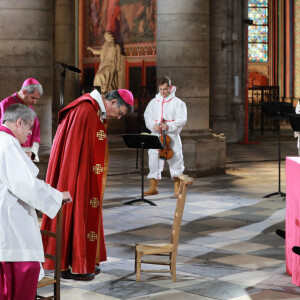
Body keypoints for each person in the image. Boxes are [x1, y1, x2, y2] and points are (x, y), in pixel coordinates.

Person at [41, 88, 134, 280]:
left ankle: (80, 262)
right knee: (76, 212)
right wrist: (76, 178)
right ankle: (74, 265)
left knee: (84, 214)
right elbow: (73, 150)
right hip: (75, 174)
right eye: (120, 113)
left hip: (84, 172)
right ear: (114, 102)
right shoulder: (85, 109)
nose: (118, 117)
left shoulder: (93, 110)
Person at [0, 103, 72, 300]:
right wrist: (57, 196)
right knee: (22, 275)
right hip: (10, 224)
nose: (30, 133)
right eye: (29, 127)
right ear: (19, 122)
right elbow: (26, 185)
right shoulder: (8, 144)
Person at [144, 76, 187, 197]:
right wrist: (154, 126)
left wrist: (169, 126)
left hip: (171, 136)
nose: (162, 92)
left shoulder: (178, 103)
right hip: (156, 135)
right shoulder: (153, 102)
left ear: (170, 87)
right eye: (160, 89)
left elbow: (182, 119)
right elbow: (147, 117)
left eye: (165, 89)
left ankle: (177, 188)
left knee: (176, 159)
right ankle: (153, 187)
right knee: (153, 159)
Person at [0, 78, 42, 162]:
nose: (35, 102)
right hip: (10, 154)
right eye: (33, 98)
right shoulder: (5, 105)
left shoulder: (29, 106)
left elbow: (35, 132)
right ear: (24, 92)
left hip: (27, 155)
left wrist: (33, 153)